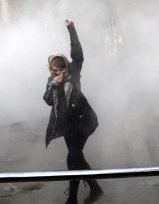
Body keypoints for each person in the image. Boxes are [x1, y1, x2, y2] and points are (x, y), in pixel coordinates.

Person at [43, 18, 103, 204]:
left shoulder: (73, 71)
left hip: (83, 123)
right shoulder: (52, 80)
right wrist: (53, 86)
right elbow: (47, 101)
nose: (55, 74)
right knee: (78, 158)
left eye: (57, 71)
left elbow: (78, 54)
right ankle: (95, 189)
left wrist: (71, 27)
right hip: (67, 127)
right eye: (52, 71)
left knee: (73, 159)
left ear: (64, 69)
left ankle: (72, 199)